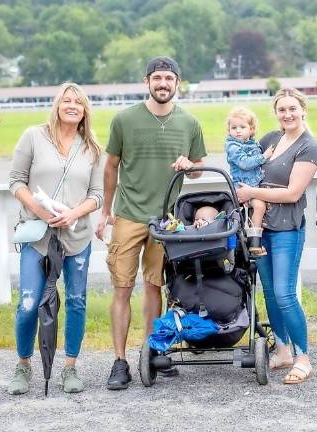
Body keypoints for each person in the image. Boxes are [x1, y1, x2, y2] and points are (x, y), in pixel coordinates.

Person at [95, 56, 207, 390]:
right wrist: (106, 212)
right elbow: (111, 166)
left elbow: (199, 167)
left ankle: (153, 351)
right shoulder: (125, 119)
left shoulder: (189, 123)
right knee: (122, 288)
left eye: (168, 79)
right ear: (147, 82)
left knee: (155, 286)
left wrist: (190, 165)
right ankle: (119, 361)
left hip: (167, 221)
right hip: (129, 215)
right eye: (157, 78)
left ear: (177, 83)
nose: (162, 84)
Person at [7, 82, 104, 394]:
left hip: (76, 238)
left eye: (78, 102)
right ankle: (23, 365)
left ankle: (70, 368)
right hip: (38, 235)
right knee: (28, 303)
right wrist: (40, 209)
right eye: (67, 101)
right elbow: (16, 181)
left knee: (76, 301)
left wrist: (74, 213)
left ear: (84, 109)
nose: (72, 106)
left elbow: (98, 195)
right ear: (57, 105)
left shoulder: (92, 149)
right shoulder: (33, 136)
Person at [236, 88, 317, 384]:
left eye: (292, 109)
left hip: (286, 227)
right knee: (270, 292)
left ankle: (303, 357)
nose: (287, 114)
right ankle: (282, 350)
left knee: (285, 294)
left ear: (302, 110)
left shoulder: (308, 146)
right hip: (260, 229)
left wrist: (252, 193)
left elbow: (292, 192)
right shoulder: (270, 139)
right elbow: (244, 163)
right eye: (282, 109)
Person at [224, 107, 272, 255]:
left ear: (251, 130)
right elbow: (244, 163)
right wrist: (264, 156)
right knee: (240, 213)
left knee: (260, 207)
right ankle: (243, 244)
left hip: (253, 186)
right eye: (234, 127)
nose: (238, 131)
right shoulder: (232, 146)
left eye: (242, 127)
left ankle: (254, 241)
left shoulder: (252, 143)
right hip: (241, 186)